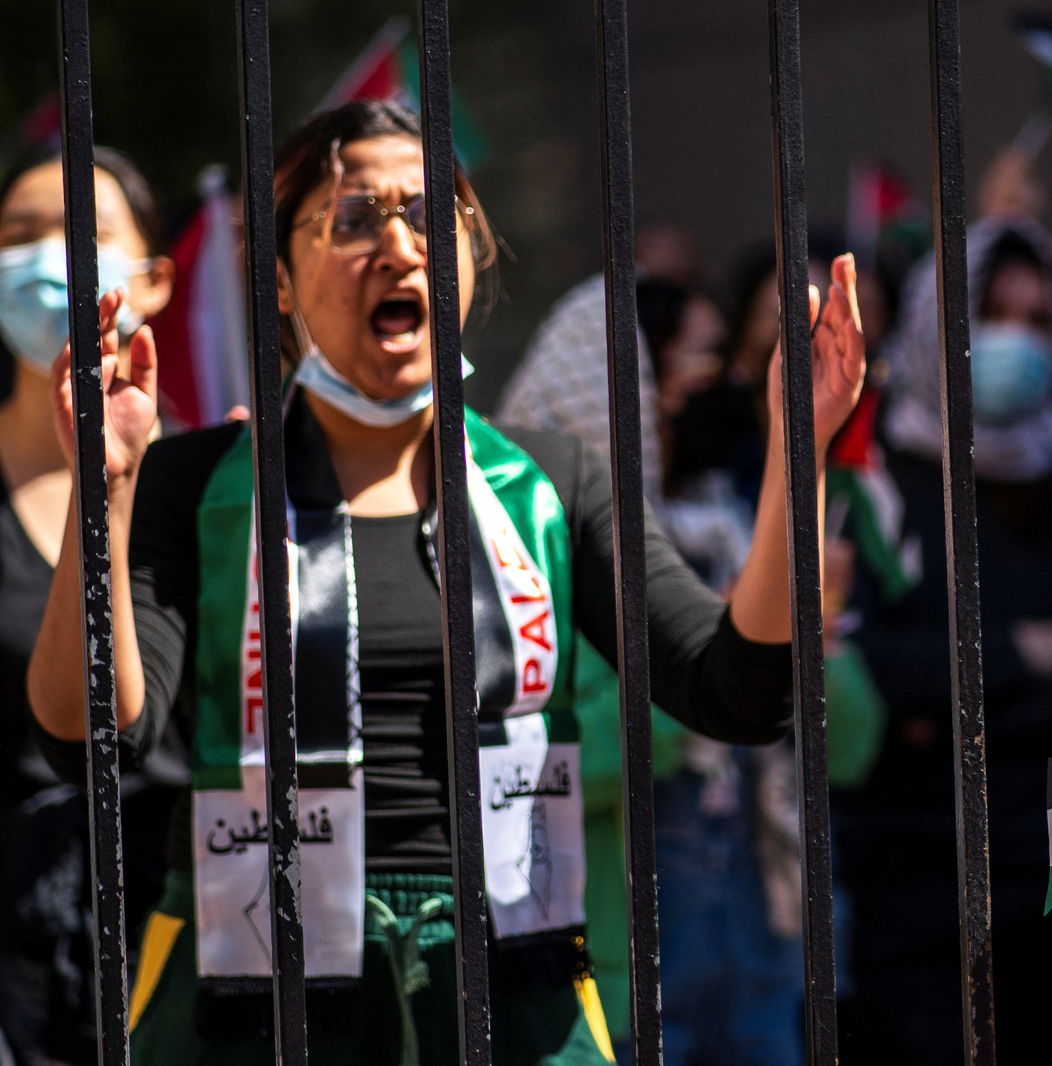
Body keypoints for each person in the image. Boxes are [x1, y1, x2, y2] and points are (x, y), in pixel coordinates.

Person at [25, 99, 866, 1066]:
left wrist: (797, 454)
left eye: (430, 216)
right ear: (283, 285)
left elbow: (739, 690)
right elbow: (88, 733)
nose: (398, 244)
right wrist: (108, 489)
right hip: (253, 996)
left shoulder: (552, 482)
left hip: (513, 991)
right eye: (352, 219)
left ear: (471, 258)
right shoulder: (197, 483)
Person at [501, 270, 884, 1066]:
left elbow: (847, 745)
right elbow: (522, 765)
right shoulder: (535, 557)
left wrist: (810, 632)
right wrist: (697, 673)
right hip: (626, 956)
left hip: (763, 937)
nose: (713, 390)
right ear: (628, 392)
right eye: (693, 367)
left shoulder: (746, 527)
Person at [837, 187, 1052, 1061]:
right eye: (992, 316)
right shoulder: (878, 487)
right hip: (923, 882)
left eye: (1038, 321)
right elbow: (865, 674)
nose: (1016, 343)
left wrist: (961, 699)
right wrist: (1017, 660)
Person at [0, 146, 181, 1066]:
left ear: (154, 278)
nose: (44, 260)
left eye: (78, 234)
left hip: (183, 946)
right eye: (17, 238)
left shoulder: (212, 483)